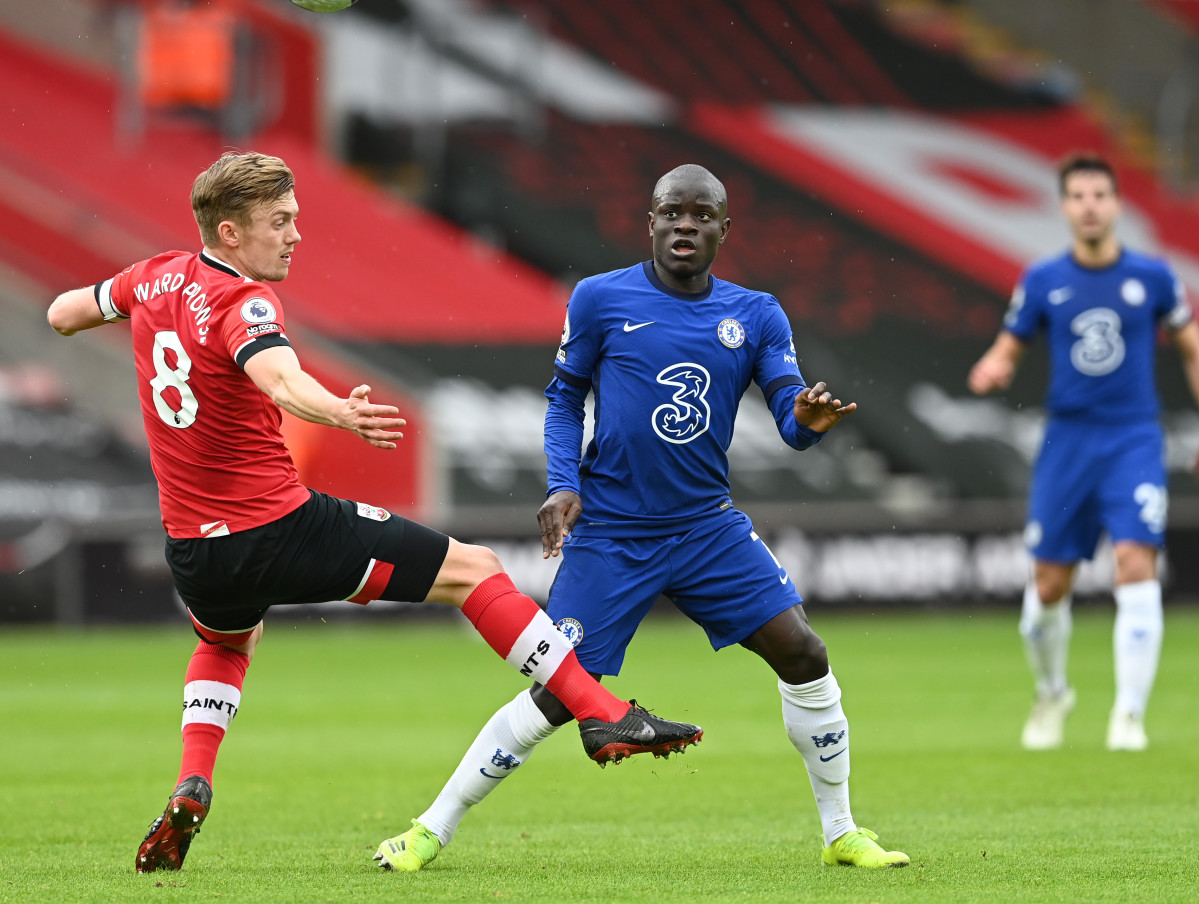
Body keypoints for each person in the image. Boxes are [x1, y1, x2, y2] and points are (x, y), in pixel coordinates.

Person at [44, 152, 702, 874]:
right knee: (473, 570)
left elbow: (62, 312)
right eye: (280, 222)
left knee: (228, 644)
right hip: (277, 529)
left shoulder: (154, 274)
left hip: (193, 550)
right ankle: (600, 713)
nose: (296, 234)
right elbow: (281, 378)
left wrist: (120, 310)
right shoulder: (245, 303)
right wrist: (340, 413)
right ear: (230, 233)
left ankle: (192, 781)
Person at [374, 163, 910, 873]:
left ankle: (841, 831)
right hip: (612, 536)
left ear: (723, 228)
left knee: (805, 652)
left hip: (706, 530)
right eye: (671, 213)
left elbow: (790, 413)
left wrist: (806, 420)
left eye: (700, 215)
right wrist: (563, 484)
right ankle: (430, 829)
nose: (685, 225)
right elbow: (564, 399)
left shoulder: (755, 314)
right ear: (650, 222)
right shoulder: (600, 299)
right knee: (559, 696)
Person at [968, 153, 1199, 751]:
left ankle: (1129, 716)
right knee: (1048, 587)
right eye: (1078, 196)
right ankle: (1054, 692)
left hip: (1134, 436)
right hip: (1068, 440)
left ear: (1116, 205)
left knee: (1136, 562)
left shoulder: (1155, 278)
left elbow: (1194, 350)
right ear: (1064, 207)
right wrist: (995, 366)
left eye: (1100, 195)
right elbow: (1010, 346)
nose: (1089, 206)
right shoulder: (1042, 279)